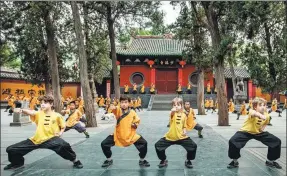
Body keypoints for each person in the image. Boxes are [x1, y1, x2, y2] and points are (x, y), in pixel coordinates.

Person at [4, 95, 83, 170]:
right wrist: (21, 110)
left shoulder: (57, 115)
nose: (42, 105)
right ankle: (17, 163)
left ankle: (75, 160)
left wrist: (60, 133)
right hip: (36, 139)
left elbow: (63, 126)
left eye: (45, 103)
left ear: (51, 104)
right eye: (41, 103)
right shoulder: (39, 113)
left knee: (64, 145)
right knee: (11, 149)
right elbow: (31, 112)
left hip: (51, 139)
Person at [227, 97, 282, 169]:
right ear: (255, 107)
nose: (263, 107)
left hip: (258, 132)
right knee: (233, 141)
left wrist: (263, 128)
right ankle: (234, 161)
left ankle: (270, 161)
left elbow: (266, 122)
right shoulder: (251, 111)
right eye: (260, 105)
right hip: (245, 131)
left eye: (264, 105)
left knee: (276, 141)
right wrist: (260, 115)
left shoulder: (267, 115)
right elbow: (254, 113)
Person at [100, 95, 150, 167]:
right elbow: (114, 109)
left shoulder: (132, 112)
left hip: (130, 135)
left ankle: (142, 160)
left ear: (129, 103)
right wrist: (112, 107)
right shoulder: (118, 110)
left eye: (126, 102)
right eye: (122, 102)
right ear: (120, 103)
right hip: (118, 135)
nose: (124, 104)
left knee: (144, 143)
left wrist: (134, 124)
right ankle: (109, 159)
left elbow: (137, 121)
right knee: (104, 144)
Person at [155, 97, 197, 168]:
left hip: (181, 137)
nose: (176, 106)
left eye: (178, 105)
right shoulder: (172, 114)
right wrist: (173, 110)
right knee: (158, 145)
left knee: (193, 146)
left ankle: (188, 160)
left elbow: (184, 126)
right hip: (170, 136)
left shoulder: (184, 115)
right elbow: (171, 114)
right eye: (174, 105)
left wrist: (184, 131)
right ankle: (163, 159)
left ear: (181, 106)